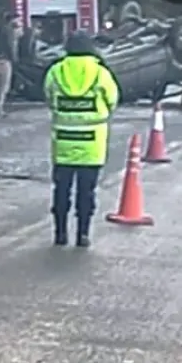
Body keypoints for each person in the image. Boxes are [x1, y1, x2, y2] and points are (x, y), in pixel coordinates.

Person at [44, 30, 120, 247]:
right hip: (92, 141)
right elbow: (112, 99)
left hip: (63, 140)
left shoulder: (55, 71)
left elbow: (49, 98)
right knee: (86, 191)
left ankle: (60, 233)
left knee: (61, 189)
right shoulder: (100, 73)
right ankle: (83, 234)